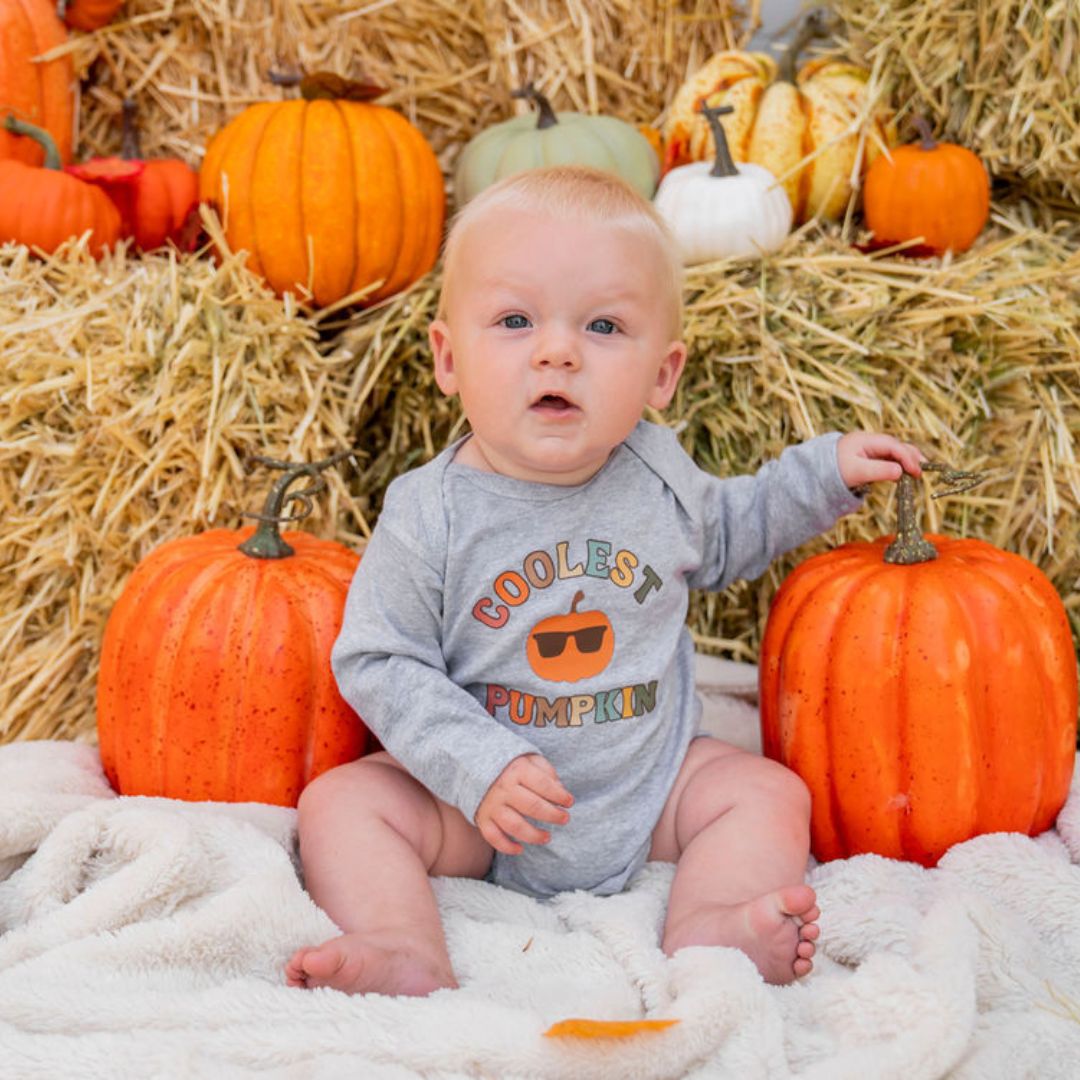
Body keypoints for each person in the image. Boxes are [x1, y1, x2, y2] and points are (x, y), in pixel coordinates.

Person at [285, 165, 923, 997]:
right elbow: (381, 660)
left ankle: (709, 921)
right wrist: (476, 768)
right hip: (480, 813)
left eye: (604, 327)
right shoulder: (429, 512)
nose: (558, 350)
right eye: (515, 321)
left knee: (764, 789)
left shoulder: (657, 475)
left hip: (649, 788)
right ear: (449, 358)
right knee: (341, 805)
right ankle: (402, 942)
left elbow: (730, 533)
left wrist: (822, 475)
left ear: (662, 375)